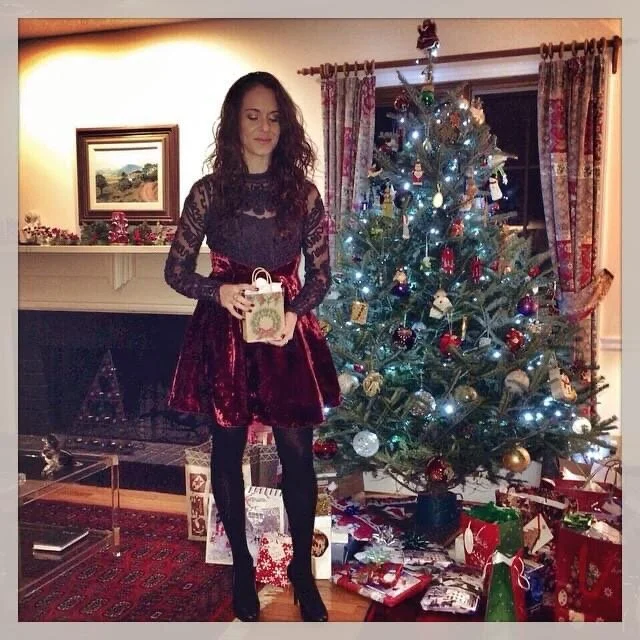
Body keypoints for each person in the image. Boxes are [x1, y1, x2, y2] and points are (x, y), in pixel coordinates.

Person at [164, 71, 341, 622]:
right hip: (226, 336)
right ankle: (241, 565)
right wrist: (218, 291)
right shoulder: (208, 192)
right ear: (234, 122)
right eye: (253, 115)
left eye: (274, 117)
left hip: (285, 334)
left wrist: (295, 312)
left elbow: (322, 276)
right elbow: (175, 270)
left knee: (298, 456)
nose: (265, 127)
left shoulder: (303, 194)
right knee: (227, 450)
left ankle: (300, 572)